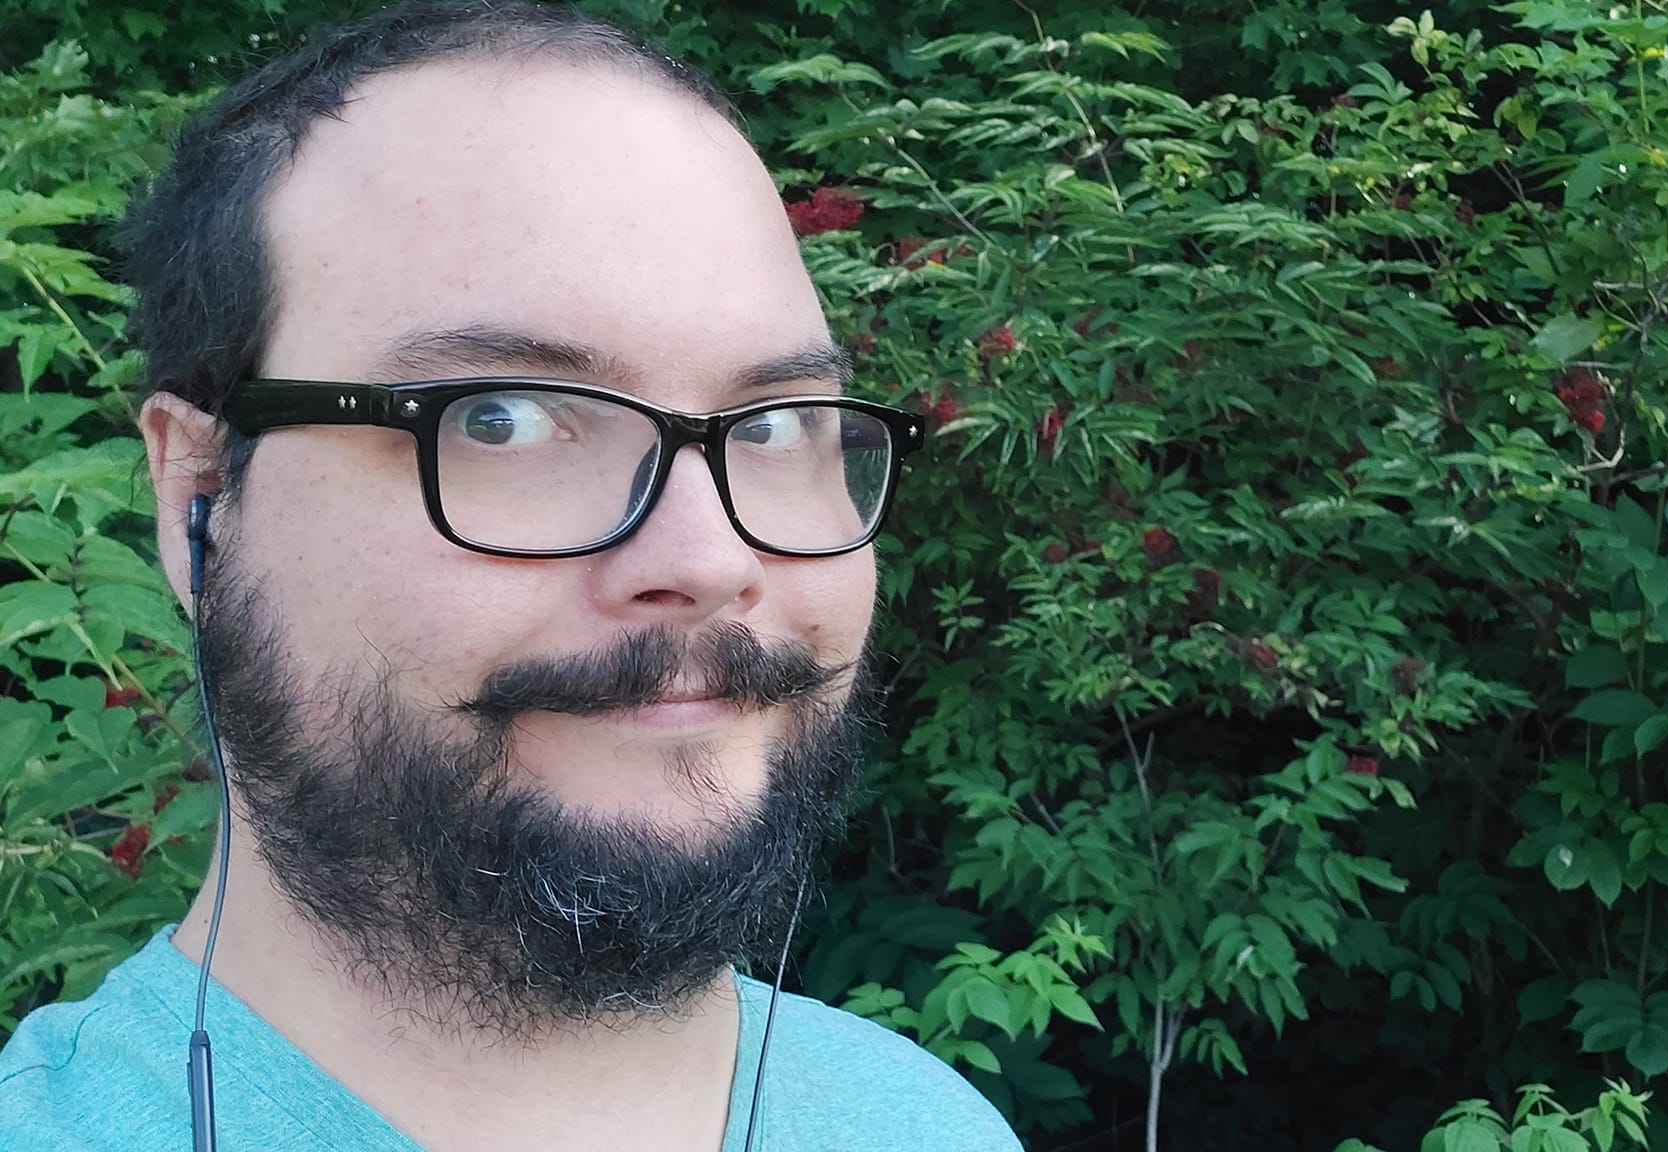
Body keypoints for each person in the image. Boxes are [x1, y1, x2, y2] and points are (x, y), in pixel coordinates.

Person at [0, 3, 1019, 1150]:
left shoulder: (925, 1122)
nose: (705, 560)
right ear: (199, 497)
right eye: (502, 417)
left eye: (777, 424)